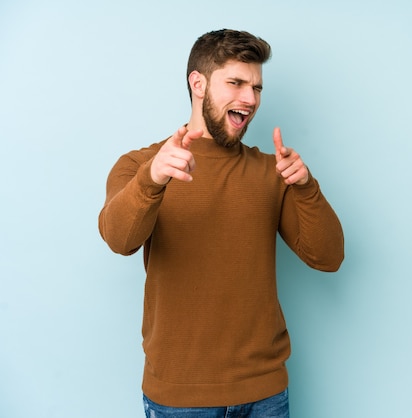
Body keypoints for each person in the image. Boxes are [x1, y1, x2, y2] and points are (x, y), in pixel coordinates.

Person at [98, 29, 344, 417]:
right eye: (236, 83)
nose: (250, 99)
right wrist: (152, 179)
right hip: (179, 398)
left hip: (265, 394)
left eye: (257, 88)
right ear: (198, 83)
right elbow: (118, 239)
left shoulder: (271, 171)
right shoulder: (140, 165)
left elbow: (328, 258)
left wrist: (306, 188)